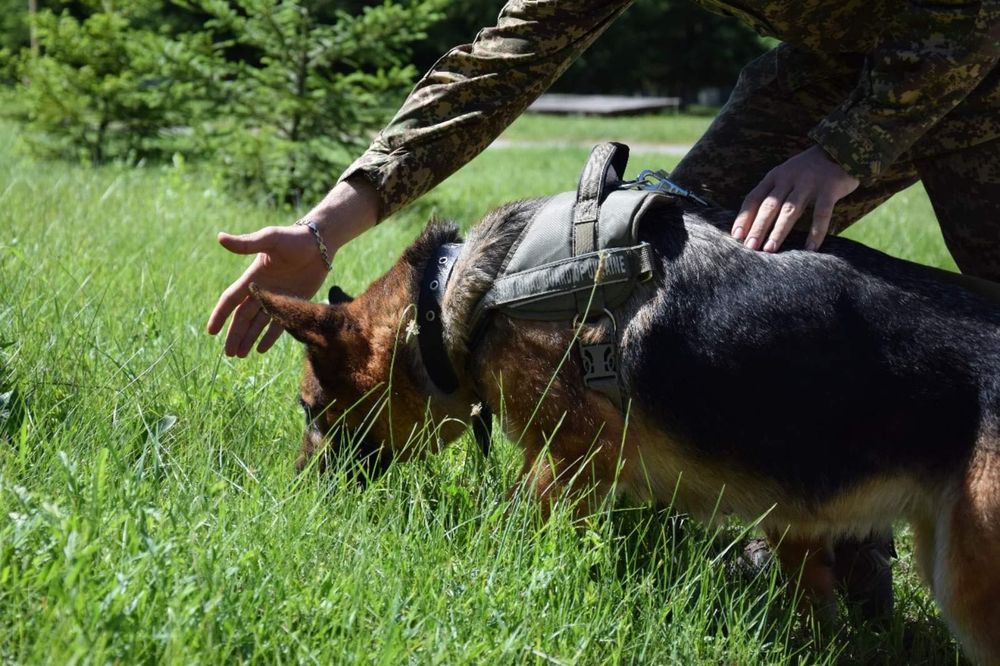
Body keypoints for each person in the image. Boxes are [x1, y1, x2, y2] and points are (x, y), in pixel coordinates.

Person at [206, 0, 1000, 619]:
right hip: (834, 72)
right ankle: (831, 545)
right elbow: (505, 58)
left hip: (981, 60)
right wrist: (324, 228)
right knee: (680, 267)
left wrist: (844, 153)